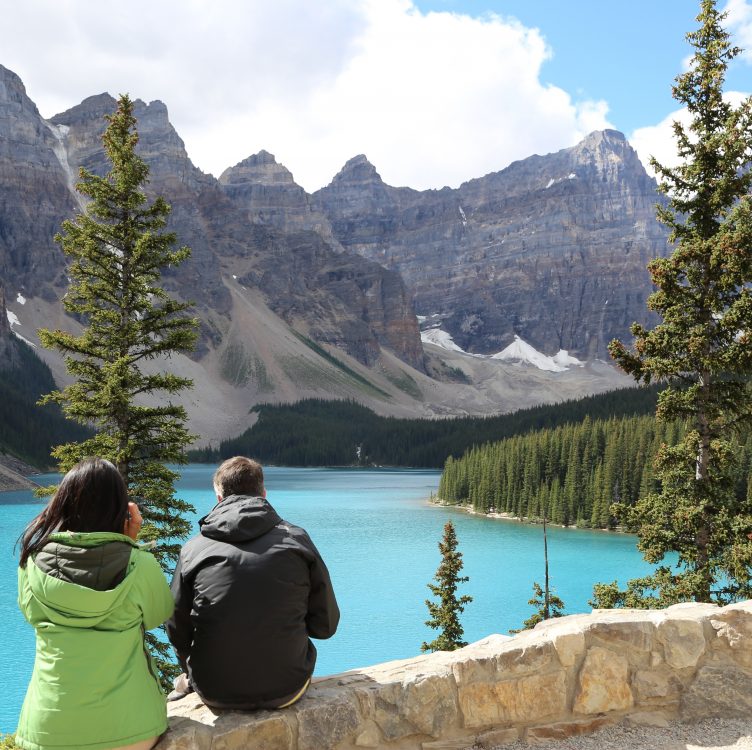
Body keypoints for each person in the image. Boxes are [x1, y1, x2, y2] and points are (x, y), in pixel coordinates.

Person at [15, 457, 174, 750]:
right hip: (131, 729)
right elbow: (157, 615)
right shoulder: (139, 564)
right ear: (122, 509)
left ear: (62, 503)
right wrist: (131, 542)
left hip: (47, 732)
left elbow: (30, 614)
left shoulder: (32, 564)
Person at [166, 456, 339, 709]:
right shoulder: (297, 539)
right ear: (264, 494)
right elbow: (326, 626)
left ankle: (185, 683)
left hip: (214, 689)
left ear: (219, 499)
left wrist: (191, 667)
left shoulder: (194, 549)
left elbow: (175, 628)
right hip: (287, 687)